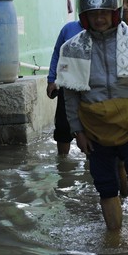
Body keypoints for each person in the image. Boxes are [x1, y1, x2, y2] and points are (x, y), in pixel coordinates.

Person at [57, 0, 128, 229]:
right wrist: (77, 131)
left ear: (114, 13)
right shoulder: (73, 47)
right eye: (93, 14)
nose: (99, 18)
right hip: (95, 131)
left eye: (104, 13)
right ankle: (114, 239)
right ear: (84, 16)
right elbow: (70, 94)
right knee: (106, 188)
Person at [46, 20, 83, 155]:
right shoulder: (68, 29)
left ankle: (91, 165)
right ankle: (63, 163)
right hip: (66, 84)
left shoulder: (101, 29)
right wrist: (52, 79)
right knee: (63, 127)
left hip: (91, 88)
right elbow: (57, 54)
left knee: (92, 128)